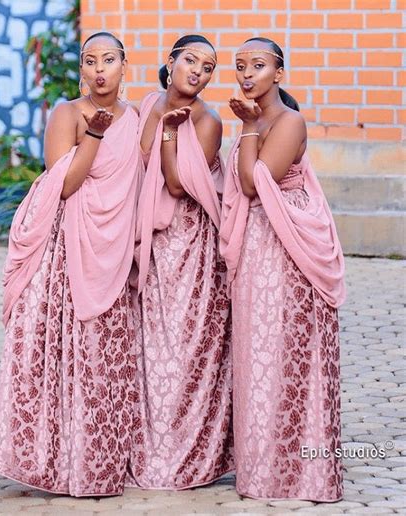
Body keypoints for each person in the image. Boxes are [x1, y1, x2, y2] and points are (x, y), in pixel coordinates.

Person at [0, 32, 142, 497]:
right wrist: (93, 134)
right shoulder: (67, 114)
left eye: (109, 60)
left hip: (115, 251)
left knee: (104, 358)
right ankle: (56, 460)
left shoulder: (134, 118)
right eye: (90, 61)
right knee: (68, 352)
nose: (100, 70)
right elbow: (64, 184)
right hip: (68, 250)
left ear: (123, 65)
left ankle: (100, 462)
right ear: (81, 68)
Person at [220, 37, 346, 502]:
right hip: (256, 251)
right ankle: (261, 469)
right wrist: (249, 127)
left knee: (285, 353)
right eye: (240, 66)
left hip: (286, 251)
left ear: (279, 72)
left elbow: (256, 183)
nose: (247, 74)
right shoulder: (251, 121)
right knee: (257, 357)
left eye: (258, 65)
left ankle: (301, 472)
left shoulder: (288, 120)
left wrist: (251, 128)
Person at [127, 35, 234, 490]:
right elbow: (131, 163)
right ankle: (145, 450)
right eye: (190, 60)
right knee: (150, 347)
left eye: (208, 67)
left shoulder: (208, 121)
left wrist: (171, 130)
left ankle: (184, 457)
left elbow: (174, 184)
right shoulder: (147, 102)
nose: (198, 71)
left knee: (184, 349)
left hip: (188, 247)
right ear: (170, 61)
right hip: (148, 239)